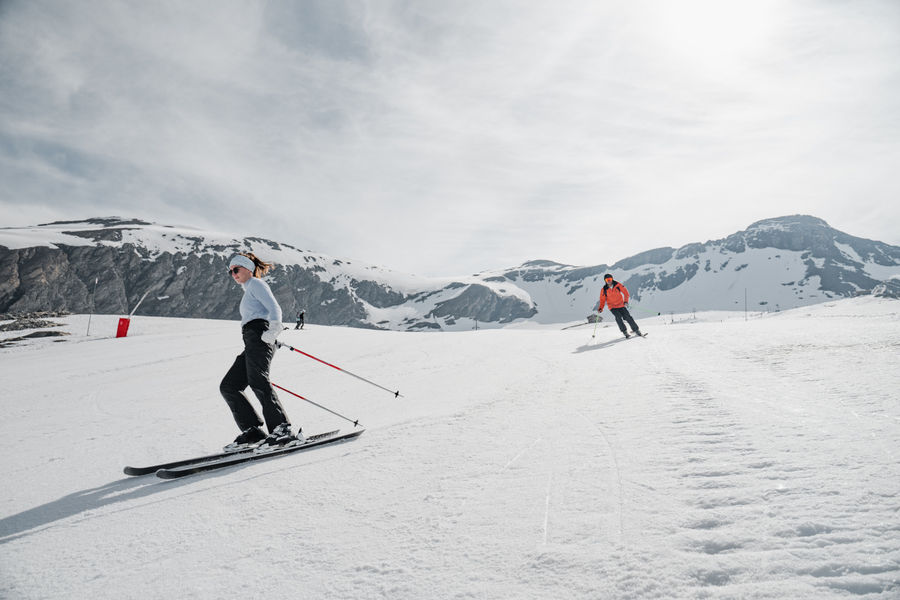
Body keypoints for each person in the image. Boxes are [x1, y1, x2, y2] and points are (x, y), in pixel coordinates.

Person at [220, 253, 300, 451]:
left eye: (236, 269)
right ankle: (253, 431)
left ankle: (281, 429)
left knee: (258, 381)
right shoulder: (249, 290)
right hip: (252, 340)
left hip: (261, 337)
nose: (233, 274)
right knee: (229, 386)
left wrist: (273, 331)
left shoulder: (256, 284)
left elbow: (275, 309)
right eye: (231, 272)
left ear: (247, 268)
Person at [597, 273, 642, 338]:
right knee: (618, 317)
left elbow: (626, 293)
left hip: (621, 305)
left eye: (610, 279)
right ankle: (625, 332)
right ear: (605, 281)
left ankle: (636, 330)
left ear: (612, 279)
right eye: (607, 280)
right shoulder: (604, 289)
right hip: (612, 307)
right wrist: (600, 308)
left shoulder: (618, 285)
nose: (609, 281)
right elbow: (602, 300)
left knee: (627, 317)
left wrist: (626, 301)